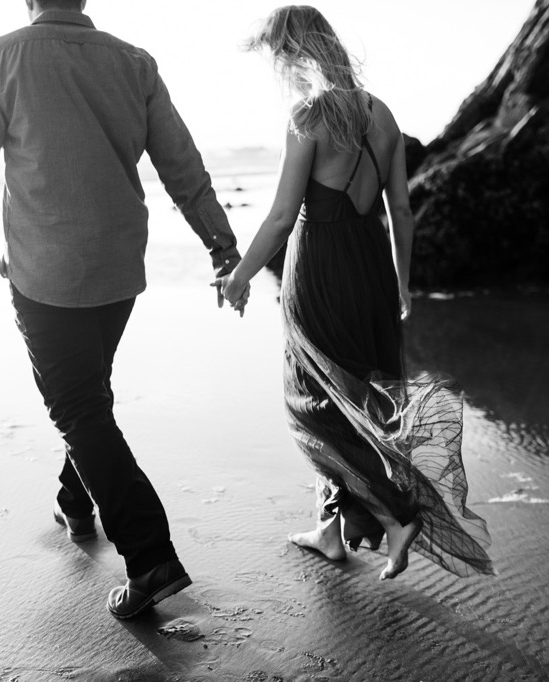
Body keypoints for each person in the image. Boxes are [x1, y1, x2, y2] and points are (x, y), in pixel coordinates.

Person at [0, 0, 243, 619]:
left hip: (47, 273)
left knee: (77, 406)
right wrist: (221, 245)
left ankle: (149, 556)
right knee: (89, 395)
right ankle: (74, 500)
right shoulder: (135, 63)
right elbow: (182, 163)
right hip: (119, 268)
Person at [215, 5, 494, 580]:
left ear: (295, 54)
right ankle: (330, 530)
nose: (279, 70)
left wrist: (240, 276)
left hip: (319, 268)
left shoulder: (308, 116)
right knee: (353, 393)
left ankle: (395, 514)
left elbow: (280, 219)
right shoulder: (382, 113)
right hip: (370, 267)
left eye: (278, 58)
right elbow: (404, 214)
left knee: (312, 400)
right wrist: (404, 284)